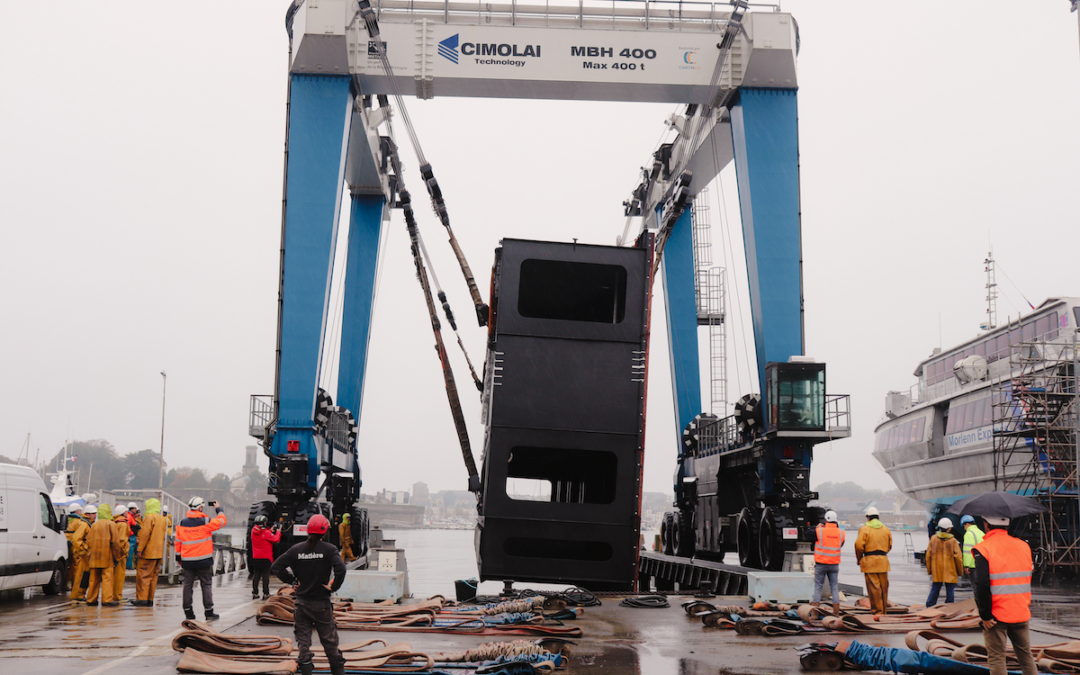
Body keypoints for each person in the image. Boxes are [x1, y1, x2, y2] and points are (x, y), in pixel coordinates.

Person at [271, 515, 347, 675]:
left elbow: (276, 567)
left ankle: (306, 670)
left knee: (303, 644)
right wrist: (333, 587)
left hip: (302, 605)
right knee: (330, 643)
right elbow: (341, 569)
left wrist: (293, 581)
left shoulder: (296, 550)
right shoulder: (329, 549)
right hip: (321, 605)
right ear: (325, 531)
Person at [973, 516, 1038, 675]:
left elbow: (981, 584)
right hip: (1021, 611)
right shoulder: (1024, 546)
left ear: (986, 524)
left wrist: (985, 615)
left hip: (996, 615)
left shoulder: (984, 548)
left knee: (996, 658)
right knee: (1026, 656)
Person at [176, 496, 227, 620]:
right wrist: (218, 509)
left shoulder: (182, 522)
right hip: (204, 560)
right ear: (200, 507)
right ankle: (208, 612)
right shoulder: (206, 521)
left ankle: (188, 612)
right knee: (206, 584)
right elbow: (221, 522)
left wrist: (178, 557)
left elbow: (178, 542)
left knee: (188, 585)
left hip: (187, 560)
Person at [854, 506, 892, 615]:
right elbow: (890, 545)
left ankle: (877, 611)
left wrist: (859, 558)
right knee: (884, 587)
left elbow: (858, 546)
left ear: (868, 518)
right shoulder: (886, 529)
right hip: (883, 561)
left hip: (869, 561)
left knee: (874, 588)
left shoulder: (864, 529)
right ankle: (883, 611)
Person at [133, 497, 167, 606]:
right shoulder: (163, 519)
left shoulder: (149, 517)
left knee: (143, 575)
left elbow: (145, 535)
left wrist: (140, 549)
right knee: (153, 576)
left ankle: (142, 599)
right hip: (158, 552)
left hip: (148, 552)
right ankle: (150, 599)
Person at [86, 503, 122, 606]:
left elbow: (89, 540)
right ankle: (107, 600)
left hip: (94, 557)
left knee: (93, 579)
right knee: (107, 579)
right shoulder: (112, 524)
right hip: (107, 557)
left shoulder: (94, 525)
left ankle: (91, 599)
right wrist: (117, 557)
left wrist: (89, 555)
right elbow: (115, 543)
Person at [812, 510, 845, 616]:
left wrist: (816, 528)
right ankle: (836, 613)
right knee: (834, 587)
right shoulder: (841, 533)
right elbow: (841, 544)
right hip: (834, 565)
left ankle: (814, 614)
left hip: (821, 564)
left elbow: (808, 535)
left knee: (818, 587)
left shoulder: (819, 531)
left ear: (825, 520)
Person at [925, 517, 963, 606]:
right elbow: (958, 557)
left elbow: (928, 555)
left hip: (937, 569)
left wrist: (929, 570)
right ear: (949, 529)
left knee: (935, 588)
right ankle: (949, 606)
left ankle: (930, 605)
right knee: (950, 590)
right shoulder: (953, 541)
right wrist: (960, 571)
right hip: (950, 570)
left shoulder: (934, 539)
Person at [250, 515, 281, 600]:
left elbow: (262, 534)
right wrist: (278, 531)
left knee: (256, 575)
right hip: (266, 558)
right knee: (265, 576)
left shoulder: (253, 532)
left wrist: (269, 530)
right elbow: (276, 539)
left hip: (256, 557)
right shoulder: (266, 533)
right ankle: (266, 593)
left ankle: (255, 593)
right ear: (263, 523)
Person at [69, 505, 92, 601]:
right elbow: (76, 538)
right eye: (93, 513)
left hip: (72, 548)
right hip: (80, 552)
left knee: (76, 572)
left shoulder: (71, 520)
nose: (95, 515)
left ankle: (77, 594)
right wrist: (82, 550)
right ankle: (78, 595)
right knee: (80, 574)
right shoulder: (83, 524)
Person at [111, 505, 131, 602]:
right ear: (123, 513)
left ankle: (113, 595)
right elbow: (122, 540)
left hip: (114, 553)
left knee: (113, 576)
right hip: (120, 554)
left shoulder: (114, 522)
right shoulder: (123, 524)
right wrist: (123, 553)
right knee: (119, 576)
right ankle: (118, 596)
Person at [961, 515, 985, 580]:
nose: (964, 528)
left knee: (975, 587)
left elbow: (968, 551)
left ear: (967, 524)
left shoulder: (969, 534)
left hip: (973, 565)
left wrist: (967, 565)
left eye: (964, 525)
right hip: (982, 563)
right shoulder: (981, 532)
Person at [126, 502, 141, 570]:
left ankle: (131, 566)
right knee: (130, 552)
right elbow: (128, 527)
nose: (136, 510)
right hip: (131, 537)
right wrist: (132, 534)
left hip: (132, 536)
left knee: (132, 551)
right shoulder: (130, 517)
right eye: (135, 509)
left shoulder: (130, 516)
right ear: (133, 509)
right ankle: (129, 566)